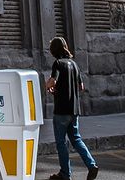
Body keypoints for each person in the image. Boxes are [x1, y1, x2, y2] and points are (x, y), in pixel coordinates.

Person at [45, 36, 100, 180]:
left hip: (61, 110)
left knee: (61, 142)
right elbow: (81, 87)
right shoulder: (74, 64)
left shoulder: (58, 64)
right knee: (76, 139)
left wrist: (47, 86)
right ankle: (91, 164)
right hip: (74, 110)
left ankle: (65, 173)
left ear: (54, 50)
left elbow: (52, 81)